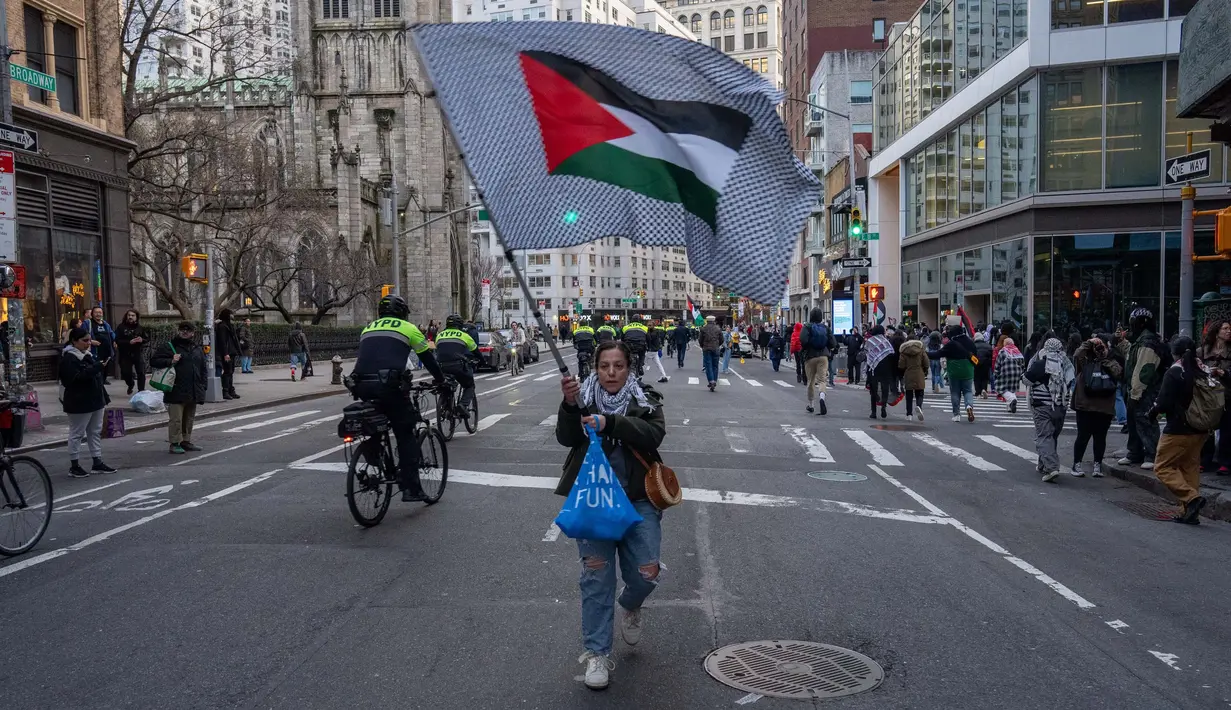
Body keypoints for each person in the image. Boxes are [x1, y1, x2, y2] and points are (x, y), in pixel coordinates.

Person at [556, 340, 666, 691]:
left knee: (647, 571)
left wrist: (610, 423)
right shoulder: (584, 396)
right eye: (605, 366)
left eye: (618, 366)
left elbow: (654, 434)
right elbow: (566, 437)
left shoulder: (643, 397)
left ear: (629, 367)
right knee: (596, 578)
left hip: (638, 500)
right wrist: (571, 405)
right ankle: (597, 653)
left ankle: (630, 605)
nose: (611, 373)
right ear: (596, 368)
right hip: (595, 501)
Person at [350, 295, 445, 502]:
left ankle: (376, 454)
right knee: (405, 432)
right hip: (389, 386)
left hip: (361, 385)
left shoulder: (368, 328)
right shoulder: (409, 328)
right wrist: (441, 381)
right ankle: (411, 488)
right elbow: (427, 359)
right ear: (402, 312)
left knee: (376, 422)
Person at [1150, 336, 1216, 524]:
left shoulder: (1175, 372)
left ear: (1174, 352)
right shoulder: (1203, 369)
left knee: (1162, 467)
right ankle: (1189, 512)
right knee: (1190, 468)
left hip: (1179, 429)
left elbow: (1163, 403)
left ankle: (1191, 498)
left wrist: (1153, 412)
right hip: (1201, 429)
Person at [59, 325, 116, 477]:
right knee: (77, 433)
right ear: (74, 341)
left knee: (94, 432)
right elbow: (74, 379)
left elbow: (94, 376)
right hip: (79, 401)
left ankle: (97, 462)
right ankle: (74, 465)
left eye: (90, 340)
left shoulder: (88, 355)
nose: (88, 343)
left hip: (95, 399)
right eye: (85, 340)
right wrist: (97, 368)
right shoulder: (69, 358)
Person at [1118, 308, 1169, 471]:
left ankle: (1151, 454)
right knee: (1133, 420)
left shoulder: (1148, 342)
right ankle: (1135, 452)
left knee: (1145, 421)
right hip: (1136, 389)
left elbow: (1144, 371)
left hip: (1146, 390)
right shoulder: (1141, 340)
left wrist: (1136, 392)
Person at [150, 321, 207, 455]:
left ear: (193, 333)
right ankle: (175, 443)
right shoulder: (170, 346)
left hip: (193, 389)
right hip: (176, 388)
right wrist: (170, 360)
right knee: (176, 418)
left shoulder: (196, 348)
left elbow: (203, 368)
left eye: (188, 330)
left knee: (189, 417)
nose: (185, 332)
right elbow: (154, 361)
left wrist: (203, 385)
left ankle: (185, 440)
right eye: (182, 329)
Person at [1025, 336, 1075, 483]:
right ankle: (1043, 464)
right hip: (1060, 407)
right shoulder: (1066, 365)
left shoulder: (1041, 364)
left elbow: (1027, 380)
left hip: (1042, 405)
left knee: (1044, 436)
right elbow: (1071, 382)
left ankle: (1052, 467)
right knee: (1052, 436)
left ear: (1046, 349)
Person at [1070, 336, 1122, 477]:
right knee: (1083, 436)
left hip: (1104, 407)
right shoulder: (1084, 362)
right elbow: (1077, 355)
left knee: (1100, 437)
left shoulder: (1110, 361)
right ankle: (1077, 464)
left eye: (1102, 345)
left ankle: (1097, 465)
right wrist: (1089, 343)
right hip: (1085, 406)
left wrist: (1105, 356)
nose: (1098, 348)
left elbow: (1118, 372)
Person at [1198, 320, 1231, 475]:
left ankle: (1225, 462)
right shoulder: (1203, 351)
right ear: (1217, 331)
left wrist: (1225, 373)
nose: (1228, 331)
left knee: (1227, 430)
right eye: (1225, 328)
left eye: (1229, 329)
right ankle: (1205, 460)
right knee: (1206, 428)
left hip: (1226, 394)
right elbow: (1194, 367)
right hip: (1208, 395)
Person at [434, 314, 480, 410]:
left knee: (446, 384)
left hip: (441, 366)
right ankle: (462, 406)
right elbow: (476, 351)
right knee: (469, 385)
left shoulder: (439, 335)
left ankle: (446, 404)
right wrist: (482, 361)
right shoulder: (464, 335)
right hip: (457, 366)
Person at [799, 308, 837, 415]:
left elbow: (802, 340)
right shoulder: (825, 327)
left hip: (810, 356)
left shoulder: (807, 327)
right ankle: (822, 397)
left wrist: (807, 347)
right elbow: (833, 342)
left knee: (810, 381)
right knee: (822, 380)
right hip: (823, 356)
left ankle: (811, 405)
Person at [937, 325, 978, 422]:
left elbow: (941, 353)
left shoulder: (952, 343)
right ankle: (969, 405)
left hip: (954, 370)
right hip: (967, 370)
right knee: (968, 391)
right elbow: (975, 356)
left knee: (955, 392)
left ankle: (956, 414)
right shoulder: (970, 342)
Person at [114, 309, 149, 395]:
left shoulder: (140, 328)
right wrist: (129, 342)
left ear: (136, 317)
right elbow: (117, 340)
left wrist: (142, 340)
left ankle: (141, 391)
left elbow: (147, 339)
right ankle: (131, 384)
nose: (130, 317)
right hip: (125, 354)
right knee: (126, 373)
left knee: (141, 372)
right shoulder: (121, 327)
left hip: (137, 353)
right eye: (129, 315)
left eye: (133, 315)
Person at [863, 326, 895, 419]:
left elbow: (867, 354)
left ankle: (873, 412)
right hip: (886, 367)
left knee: (873, 389)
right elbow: (891, 353)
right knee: (885, 388)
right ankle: (883, 406)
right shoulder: (886, 341)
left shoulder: (870, 341)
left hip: (873, 368)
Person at [898, 333, 929, 422]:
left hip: (908, 373)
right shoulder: (921, 350)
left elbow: (901, 365)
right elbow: (926, 362)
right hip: (919, 372)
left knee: (909, 395)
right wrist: (925, 370)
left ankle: (909, 414)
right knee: (920, 393)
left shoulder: (904, 351)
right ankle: (919, 406)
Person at [992, 338, 1026, 413]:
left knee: (1002, 388)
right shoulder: (1017, 351)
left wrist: (996, 373)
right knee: (1012, 388)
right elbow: (1023, 363)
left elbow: (997, 364)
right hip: (1017, 372)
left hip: (1006, 371)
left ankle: (1012, 399)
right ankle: (1010, 407)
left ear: (1005, 344)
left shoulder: (1003, 351)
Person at [215, 309, 242, 400]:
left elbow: (234, 339)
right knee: (227, 372)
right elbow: (222, 341)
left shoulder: (229, 325)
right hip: (227, 353)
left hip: (231, 351)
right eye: (231, 315)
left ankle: (230, 390)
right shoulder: (222, 326)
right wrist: (225, 353)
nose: (232, 316)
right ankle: (225, 390)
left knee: (231, 372)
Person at [88, 306, 116, 385]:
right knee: (97, 370)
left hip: (107, 352)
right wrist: (91, 341)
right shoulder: (88, 323)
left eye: (100, 312)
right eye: (96, 312)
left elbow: (111, 333)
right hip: (95, 352)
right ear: (92, 314)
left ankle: (102, 384)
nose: (98, 314)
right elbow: (82, 335)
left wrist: (115, 341)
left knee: (105, 370)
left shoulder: (106, 324)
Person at [699, 315, 722, 391]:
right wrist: (717, 345)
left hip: (707, 349)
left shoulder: (703, 329)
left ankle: (711, 381)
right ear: (714, 321)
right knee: (715, 366)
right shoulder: (718, 329)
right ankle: (714, 381)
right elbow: (722, 339)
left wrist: (702, 346)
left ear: (707, 321)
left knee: (708, 366)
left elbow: (700, 340)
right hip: (716, 349)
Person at [973, 333, 994, 399]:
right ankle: (984, 389)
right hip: (986, 363)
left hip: (976, 363)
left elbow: (971, 355)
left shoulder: (973, 346)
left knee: (977, 378)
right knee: (985, 378)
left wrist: (974, 362)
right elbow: (991, 356)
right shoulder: (988, 346)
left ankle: (978, 393)